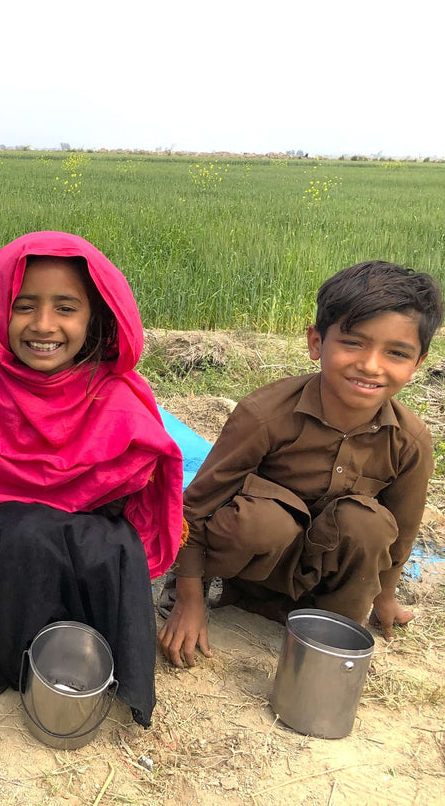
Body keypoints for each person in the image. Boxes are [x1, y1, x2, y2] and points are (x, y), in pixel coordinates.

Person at [0, 232, 184, 728]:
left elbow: (142, 489)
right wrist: (46, 512)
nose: (43, 325)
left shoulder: (115, 394)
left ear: (95, 317)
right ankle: (13, 654)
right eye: (24, 306)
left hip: (81, 550)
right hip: (1, 554)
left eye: (66, 308)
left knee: (107, 545)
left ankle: (84, 655)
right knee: (31, 534)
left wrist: (82, 517)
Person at [158, 261, 444, 668]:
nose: (371, 365)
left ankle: (329, 627)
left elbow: (401, 536)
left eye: (396, 353)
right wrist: (189, 599)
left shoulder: (410, 440)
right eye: (354, 343)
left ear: (418, 363)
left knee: (370, 524)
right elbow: (195, 509)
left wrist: (386, 599)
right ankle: (199, 592)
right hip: (253, 563)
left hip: (324, 578)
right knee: (265, 519)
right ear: (316, 342)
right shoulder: (264, 415)